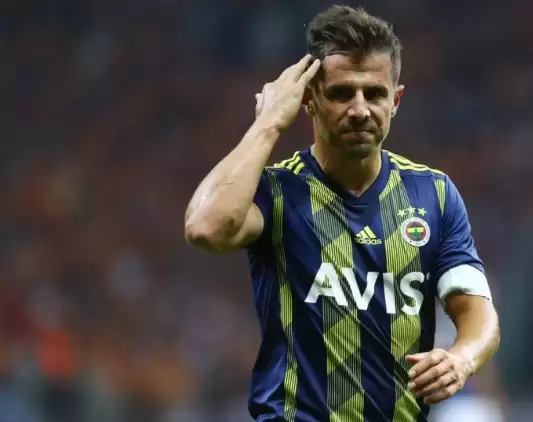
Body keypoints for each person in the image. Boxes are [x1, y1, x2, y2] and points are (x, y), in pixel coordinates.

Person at [184, 5, 500, 421]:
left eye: (374, 94)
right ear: (309, 100)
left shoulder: (434, 195)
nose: (359, 109)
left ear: (396, 100)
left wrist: (462, 358)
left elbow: (479, 312)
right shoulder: (277, 191)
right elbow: (205, 228)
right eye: (341, 93)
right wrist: (268, 124)